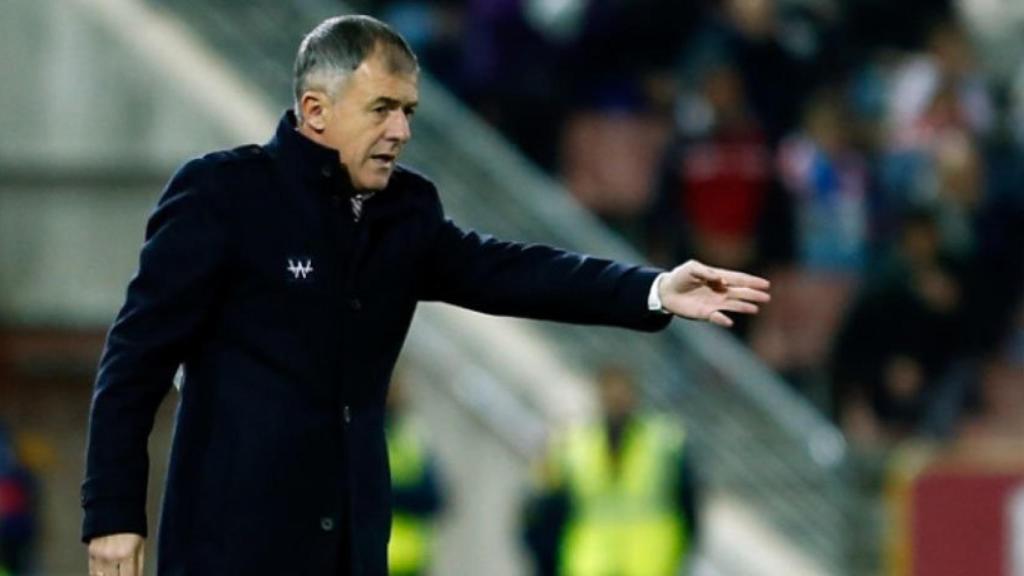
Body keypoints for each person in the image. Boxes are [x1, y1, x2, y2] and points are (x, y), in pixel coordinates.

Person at [82, 15, 770, 576]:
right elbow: (134, 361)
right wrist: (112, 511)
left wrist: (650, 289)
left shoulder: (406, 213)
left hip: (353, 550)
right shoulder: (223, 196)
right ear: (316, 110)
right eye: (383, 109)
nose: (402, 132)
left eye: (408, 111)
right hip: (231, 550)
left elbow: (510, 271)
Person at [523, 365, 699, 576]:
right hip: (589, 559)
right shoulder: (575, 443)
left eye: (621, 394)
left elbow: (688, 503)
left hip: (648, 560)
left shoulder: (662, 442)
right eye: (610, 394)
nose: (616, 402)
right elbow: (543, 507)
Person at [384, 373, 445, 576]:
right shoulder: (363, 439)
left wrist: (386, 493)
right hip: (379, 557)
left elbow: (435, 497)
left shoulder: (410, 436)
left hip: (407, 561)